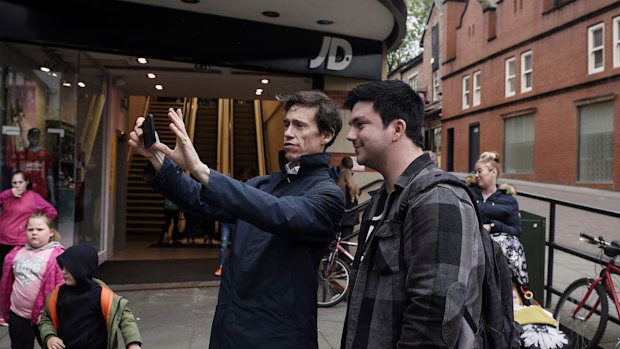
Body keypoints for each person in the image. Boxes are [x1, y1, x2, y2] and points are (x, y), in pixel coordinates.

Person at [128, 90, 344, 348]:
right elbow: (200, 199)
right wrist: (156, 157)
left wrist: (200, 168)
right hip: (230, 327)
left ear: (326, 135)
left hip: (279, 336)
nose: (288, 132)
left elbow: (278, 213)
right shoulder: (263, 184)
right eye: (286, 123)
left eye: (299, 125)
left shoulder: (328, 195)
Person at [340, 80, 484, 348]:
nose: (350, 135)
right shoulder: (383, 199)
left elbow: (432, 320)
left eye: (360, 124)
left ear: (397, 129)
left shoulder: (438, 198)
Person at [38, 243, 142, 349]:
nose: (63, 272)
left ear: (82, 269)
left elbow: (126, 318)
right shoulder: (57, 295)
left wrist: (133, 343)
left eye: (69, 268)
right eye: (63, 267)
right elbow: (46, 319)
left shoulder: (102, 295)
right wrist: (50, 336)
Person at [0, 212, 65, 349]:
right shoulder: (15, 254)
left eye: (40, 229)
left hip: (45, 318)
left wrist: (51, 313)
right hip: (18, 314)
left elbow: (63, 289)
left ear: (51, 232)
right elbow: (7, 284)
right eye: (30, 229)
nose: (34, 233)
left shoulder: (58, 256)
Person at [469, 151, 528, 286]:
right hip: (471, 245)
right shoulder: (469, 193)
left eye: (479, 171)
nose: (476, 175)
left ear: (493, 172)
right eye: (475, 172)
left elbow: (516, 230)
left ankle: (519, 290)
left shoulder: (508, 200)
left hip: (495, 252)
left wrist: (493, 226)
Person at [0, 171, 57, 287]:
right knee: (2, 274)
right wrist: (9, 193)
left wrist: (35, 226)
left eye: (20, 182)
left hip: (19, 243)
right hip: (2, 240)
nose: (17, 186)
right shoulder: (7, 196)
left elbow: (52, 212)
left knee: (16, 275)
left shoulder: (33, 197)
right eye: (14, 183)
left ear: (26, 182)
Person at [15, 127, 56, 206]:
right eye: (33, 136)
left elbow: (49, 176)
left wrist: (52, 196)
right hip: (24, 192)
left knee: (39, 216)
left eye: (37, 136)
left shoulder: (45, 155)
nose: (35, 138)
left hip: (41, 192)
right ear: (28, 137)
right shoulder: (21, 155)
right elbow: (15, 175)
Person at [336, 157, 359, 244]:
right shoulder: (354, 186)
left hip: (341, 219)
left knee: (337, 244)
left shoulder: (340, 188)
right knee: (344, 243)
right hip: (351, 219)